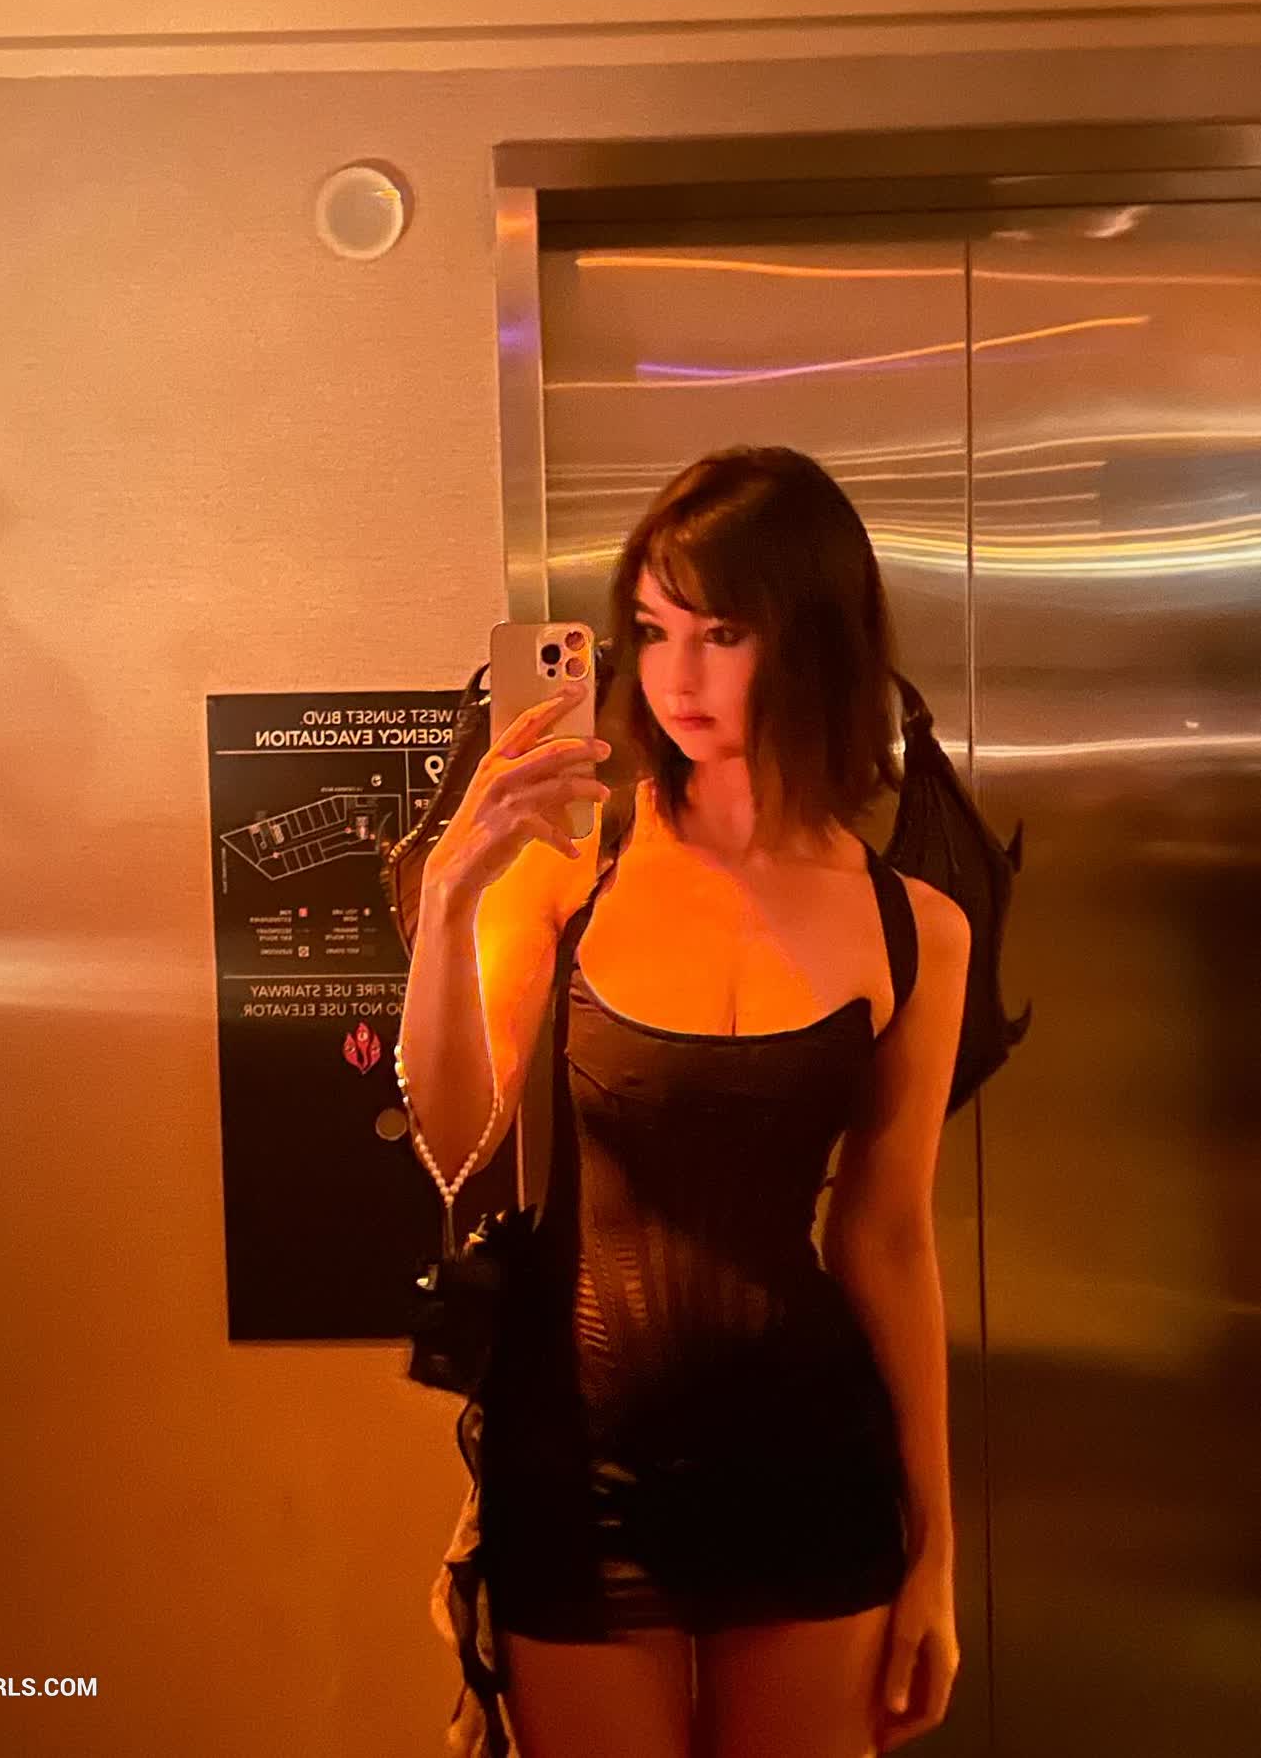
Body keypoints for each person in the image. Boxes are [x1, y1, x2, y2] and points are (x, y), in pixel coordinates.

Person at [398, 446, 970, 1758]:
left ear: (812, 640)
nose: (676, 678)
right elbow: (453, 1138)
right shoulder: (569, 868)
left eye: (721, 633)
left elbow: (887, 1238)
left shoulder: (915, 927)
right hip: (575, 1467)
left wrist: (935, 1547)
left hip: (812, 1471)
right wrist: (448, 895)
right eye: (652, 632)